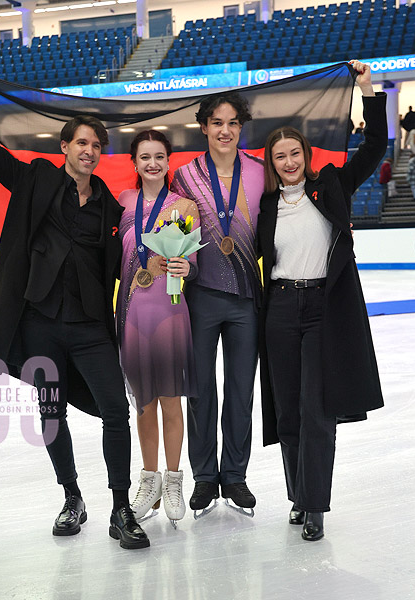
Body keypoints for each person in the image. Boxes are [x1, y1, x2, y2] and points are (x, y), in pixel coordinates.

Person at [0, 55, 150, 550]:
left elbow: (128, 259)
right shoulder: (37, 181)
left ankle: (121, 507)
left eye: (95, 145)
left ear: (101, 153)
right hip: (40, 323)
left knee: (115, 411)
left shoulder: (110, 206)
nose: (88, 150)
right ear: (65, 147)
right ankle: (71, 497)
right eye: (80, 142)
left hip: (90, 328)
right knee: (50, 414)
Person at [257, 60, 385, 541]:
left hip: (323, 312)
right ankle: (297, 494)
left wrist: (367, 89)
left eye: (294, 154)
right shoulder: (267, 205)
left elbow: (374, 146)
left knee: (316, 409)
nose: (288, 162)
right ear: (271, 163)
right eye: (279, 157)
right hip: (281, 310)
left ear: (306, 155)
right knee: (287, 410)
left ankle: (315, 506)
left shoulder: (330, 186)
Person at [171, 92, 263, 516]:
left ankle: (235, 477)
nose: (225, 130)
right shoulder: (185, 177)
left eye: (233, 123)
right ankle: (205, 477)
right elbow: (177, 233)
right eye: (217, 122)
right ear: (204, 127)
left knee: (241, 390)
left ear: (240, 128)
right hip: (200, 296)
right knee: (201, 391)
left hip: (246, 298)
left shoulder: (262, 173)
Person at [116, 130, 199, 527]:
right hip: (132, 311)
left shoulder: (184, 206)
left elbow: (192, 261)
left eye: (159, 156)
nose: (152, 163)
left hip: (169, 309)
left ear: (169, 161)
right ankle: (147, 480)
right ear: (134, 162)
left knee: (170, 398)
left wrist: (188, 268)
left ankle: (173, 478)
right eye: (144, 157)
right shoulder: (124, 203)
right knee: (143, 402)